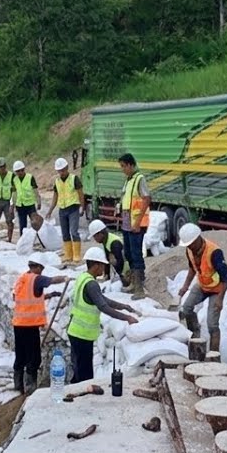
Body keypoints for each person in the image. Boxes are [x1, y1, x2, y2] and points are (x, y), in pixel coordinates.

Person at [68, 246, 139, 384]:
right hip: (82, 334)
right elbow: (103, 307)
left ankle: (74, 395)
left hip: (75, 331)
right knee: (85, 375)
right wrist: (127, 318)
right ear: (96, 265)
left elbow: (103, 300)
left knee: (78, 369)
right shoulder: (91, 284)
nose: (103, 270)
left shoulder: (83, 278)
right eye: (102, 266)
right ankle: (82, 401)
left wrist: (124, 306)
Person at [11, 258, 71, 393]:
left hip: (18, 324)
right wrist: (64, 278)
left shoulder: (22, 279)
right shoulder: (36, 279)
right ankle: (30, 388)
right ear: (37, 267)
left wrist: (50, 295)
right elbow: (50, 280)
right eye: (41, 268)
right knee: (34, 357)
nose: (41, 271)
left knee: (20, 355)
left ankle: (18, 384)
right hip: (30, 326)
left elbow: (25, 298)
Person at [176, 223, 227, 354]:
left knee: (212, 324)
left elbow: (226, 277)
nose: (189, 246)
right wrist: (185, 287)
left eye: (190, 244)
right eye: (187, 245)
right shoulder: (189, 250)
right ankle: (195, 335)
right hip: (202, 285)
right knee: (187, 308)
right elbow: (192, 269)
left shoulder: (214, 252)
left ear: (198, 239)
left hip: (216, 290)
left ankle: (213, 356)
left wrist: (220, 300)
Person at [117, 153, 150, 299]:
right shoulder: (128, 180)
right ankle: (134, 282)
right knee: (129, 253)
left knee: (136, 254)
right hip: (127, 222)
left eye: (124, 166)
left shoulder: (139, 179)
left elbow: (146, 199)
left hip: (136, 223)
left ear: (131, 165)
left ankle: (139, 287)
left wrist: (137, 222)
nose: (122, 169)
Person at [44, 157, 86, 265]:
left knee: (74, 232)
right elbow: (55, 196)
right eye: (59, 171)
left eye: (63, 170)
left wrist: (82, 206)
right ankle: (68, 255)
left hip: (73, 208)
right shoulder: (57, 181)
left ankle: (76, 255)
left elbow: (81, 194)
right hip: (62, 209)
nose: (61, 172)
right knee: (65, 233)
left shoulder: (74, 179)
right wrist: (50, 210)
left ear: (67, 168)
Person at [10, 160, 42, 233]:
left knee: (35, 223)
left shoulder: (30, 178)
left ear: (24, 169)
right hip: (20, 206)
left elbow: (35, 191)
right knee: (22, 225)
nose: (20, 173)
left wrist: (38, 202)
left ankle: (39, 238)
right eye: (18, 171)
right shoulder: (14, 180)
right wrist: (12, 205)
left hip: (30, 205)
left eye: (21, 170)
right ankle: (23, 240)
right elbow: (14, 193)